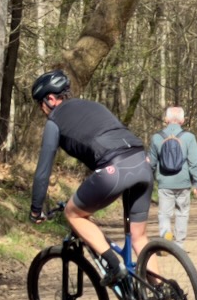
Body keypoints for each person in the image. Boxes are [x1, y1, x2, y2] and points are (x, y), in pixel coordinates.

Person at [27, 70, 153, 287]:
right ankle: (163, 296)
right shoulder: (93, 106)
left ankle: (114, 265)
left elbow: (42, 171)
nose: (42, 111)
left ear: (50, 98)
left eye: (41, 104)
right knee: (139, 237)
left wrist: (36, 208)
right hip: (142, 161)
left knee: (73, 213)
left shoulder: (54, 121)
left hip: (114, 170)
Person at [149, 106, 197, 243]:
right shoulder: (189, 138)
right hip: (183, 182)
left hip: (164, 183)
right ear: (183, 120)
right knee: (182, 213)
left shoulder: (156, 138)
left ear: (166, 119)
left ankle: (166, 237)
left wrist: (146, 181)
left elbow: (151, 164)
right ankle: (179, 244)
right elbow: (194, 163)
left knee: (164, 214)